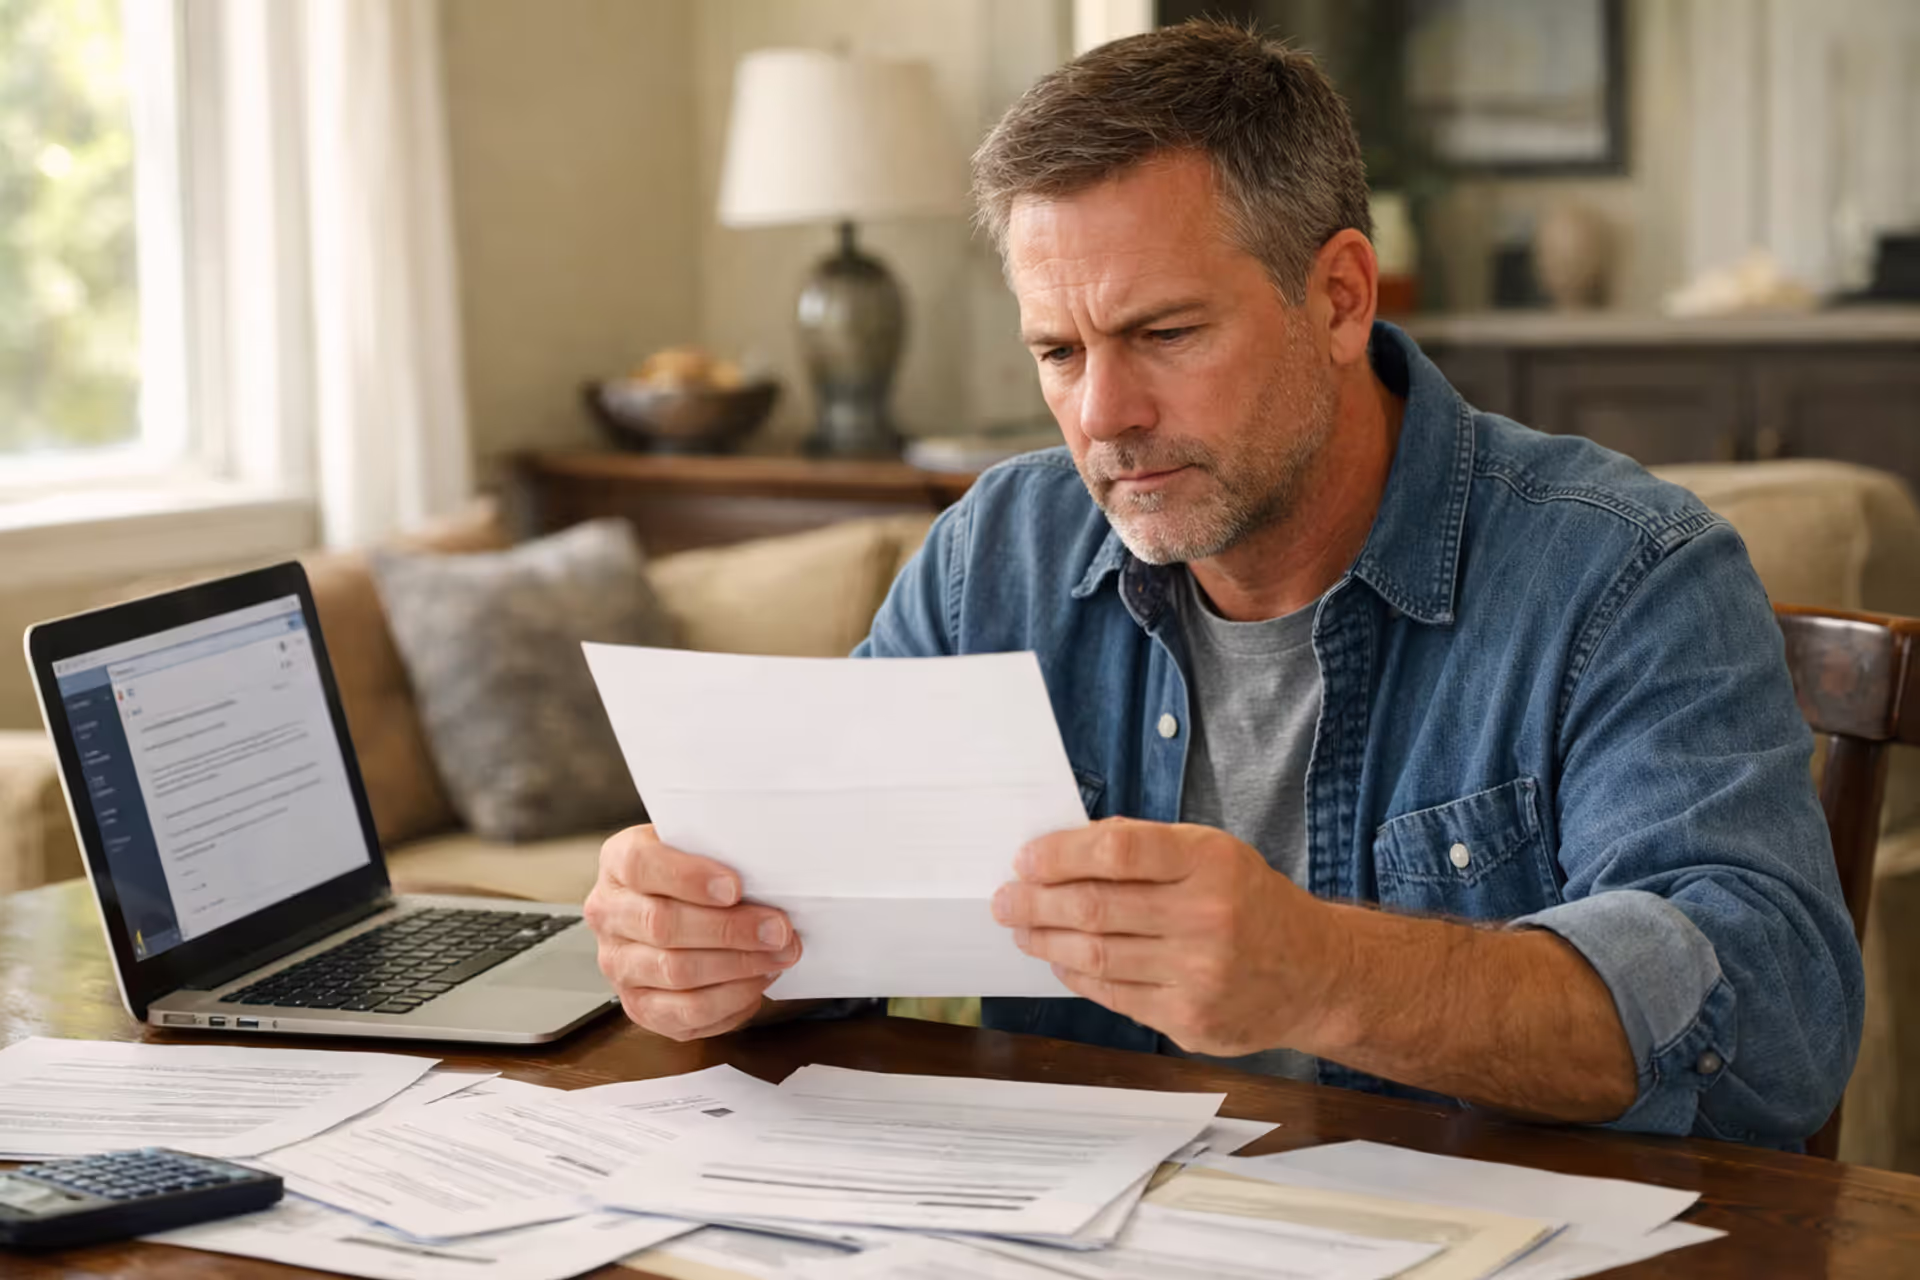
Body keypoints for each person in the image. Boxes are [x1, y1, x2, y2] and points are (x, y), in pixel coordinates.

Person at [581, 21, 1862, 1148]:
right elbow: (825, 908)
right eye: (1057, 349)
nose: (1104, 415)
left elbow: (1775, 1025)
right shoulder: (995, 554)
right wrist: (719, 949)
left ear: (1342, 296)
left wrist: (1319, 972)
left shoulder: (1625, 572)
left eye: (1165, 334)